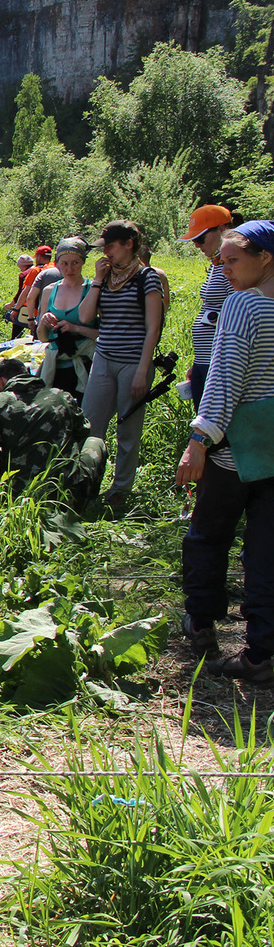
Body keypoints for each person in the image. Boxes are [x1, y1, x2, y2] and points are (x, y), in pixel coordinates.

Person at [176, 221, 274, 683]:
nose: (224, 268)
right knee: (266, 548)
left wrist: (200, 440)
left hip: (234, 450)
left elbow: (224, 377)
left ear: (266, 258)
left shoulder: (243, 305)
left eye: (233, 259)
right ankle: (261, 653)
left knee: (207, 537)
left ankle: (200, 625)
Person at [77, 220, 165, 510]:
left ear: (129, 244)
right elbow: (86, 315)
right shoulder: (105, 278)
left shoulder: (147, 278)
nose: (108, 253)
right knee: (90, 424)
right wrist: (98, 280)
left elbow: (154, 326)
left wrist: (143, 369)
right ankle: (86, 483)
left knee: (128, 429)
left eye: (111, 246)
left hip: (133, 362)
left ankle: (120, 489)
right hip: (104, 358)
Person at [181, 205, 234, 407]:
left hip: (221, 364)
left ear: (222, 230)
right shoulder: (215, 263)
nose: (196, 245)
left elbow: (234, 315)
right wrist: (198, 361)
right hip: (206, 360)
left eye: (200, 238)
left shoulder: (233, 267)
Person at [34, 238, 98, 397]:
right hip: (55, 367)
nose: (70, 268)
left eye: (75, 262)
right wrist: (43, 321)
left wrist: (75, 328)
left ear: (83, 262)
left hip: (85, 365)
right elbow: (42, 338)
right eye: (65, 263)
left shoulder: (92, 290)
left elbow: (103, 334)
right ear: (57, 264)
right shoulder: (49, 291)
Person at [5, 252, 43, 339]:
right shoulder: (42, 270)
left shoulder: (24, 275)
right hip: (40, 305)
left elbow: (21, 293)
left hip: (26, 306)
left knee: (17, 325)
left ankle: (14, 341)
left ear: (23, 266)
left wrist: (13, 306)